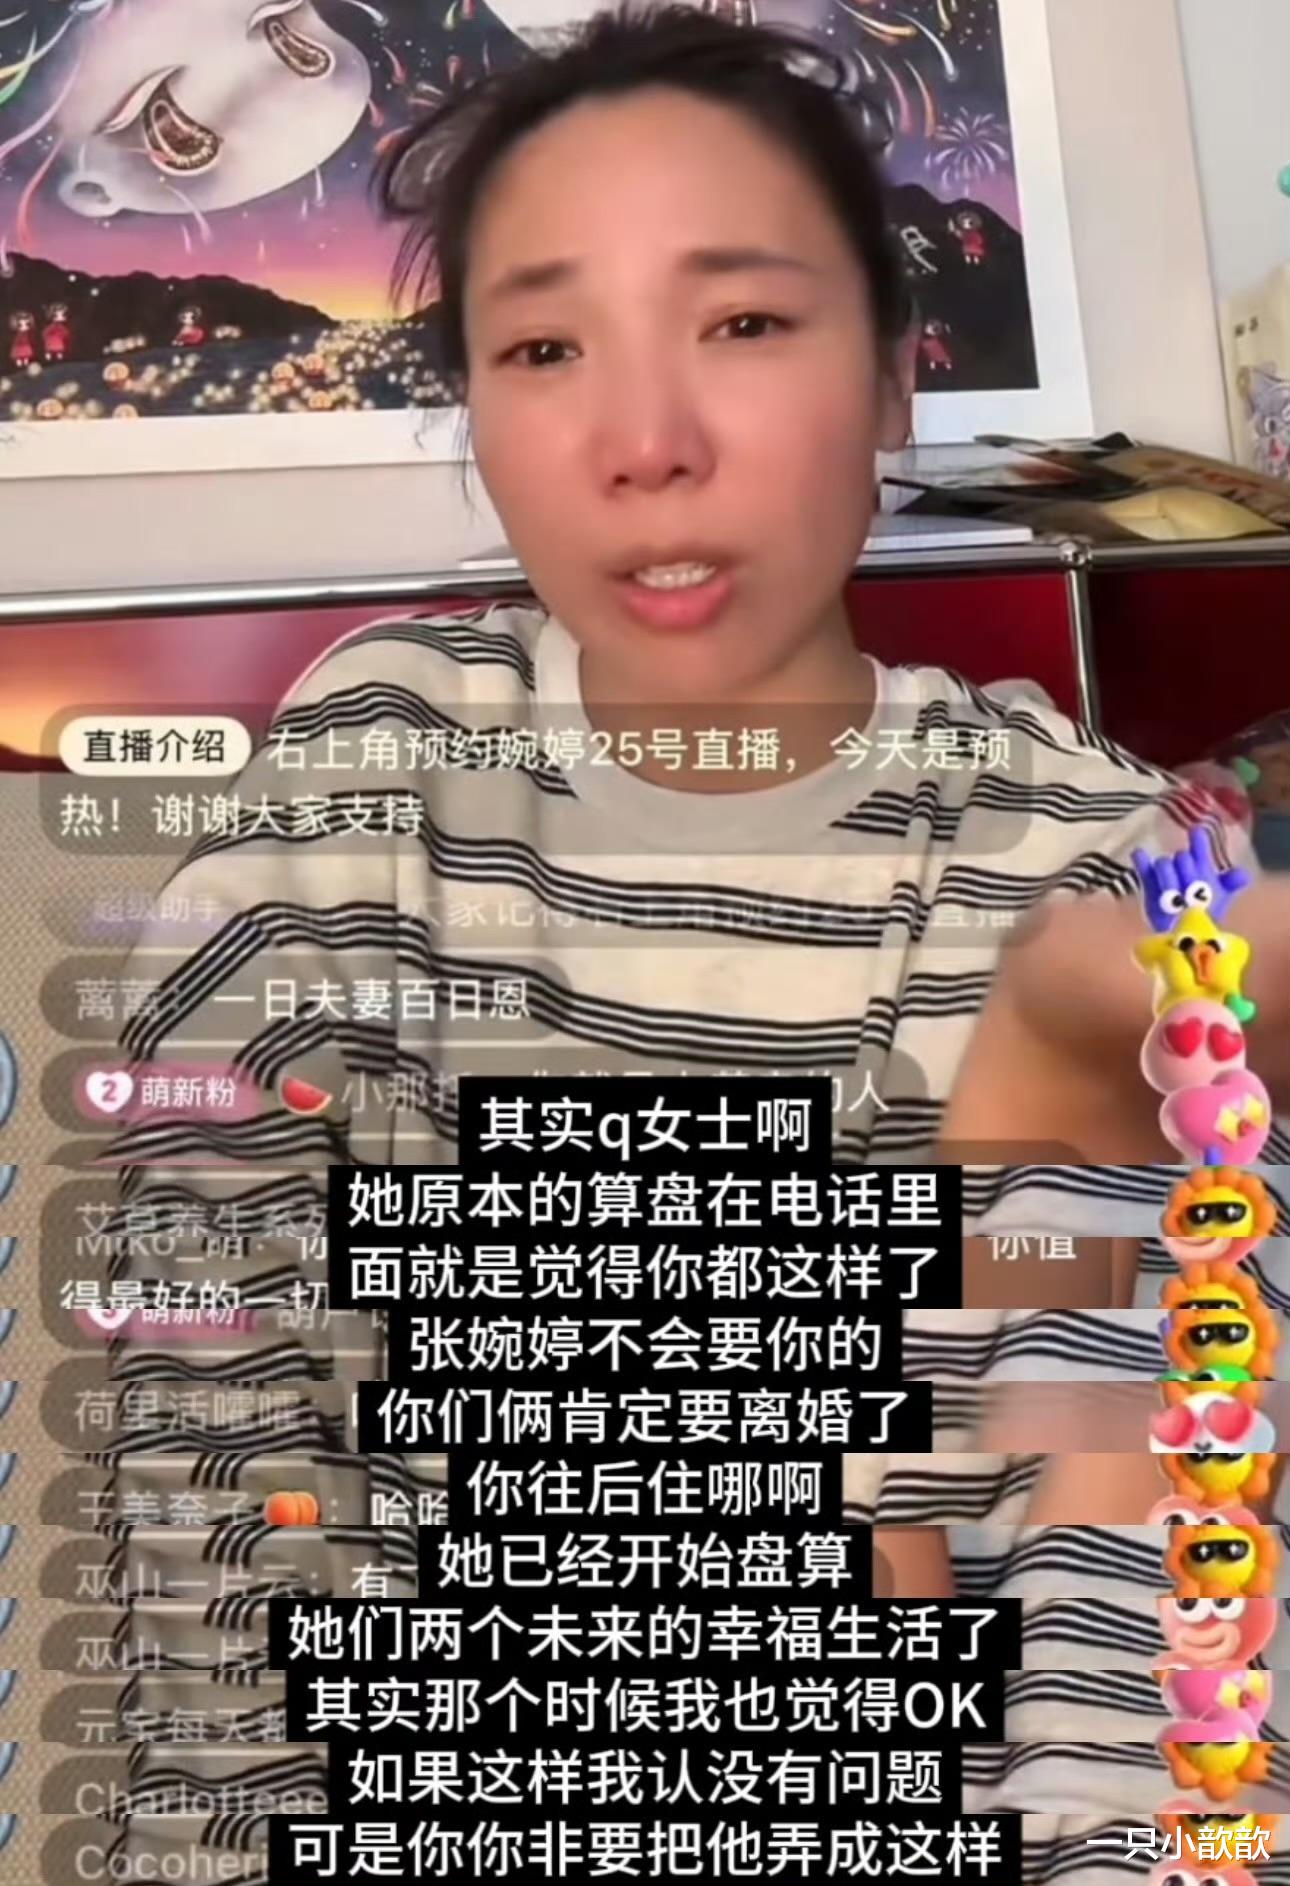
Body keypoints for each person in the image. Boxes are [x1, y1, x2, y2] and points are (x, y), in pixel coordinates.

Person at [107, 5, 1290, 1869]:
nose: (645, 444)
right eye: (542, 347)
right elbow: (203, 1474)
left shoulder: (1100, 866)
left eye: (741, 323)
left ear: (894, 375)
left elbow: (1145, 1604)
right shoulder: (366, 783)